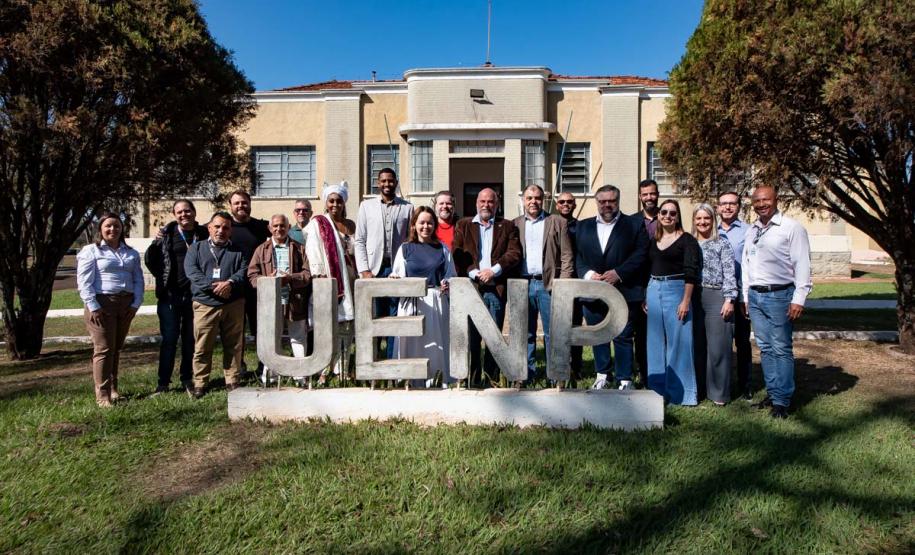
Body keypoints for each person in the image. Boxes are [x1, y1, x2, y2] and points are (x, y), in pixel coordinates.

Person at [742, 185, 812, 418]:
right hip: (756, 295)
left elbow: (802, 264)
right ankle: (773, 394)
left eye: (766, 200)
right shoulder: (752, 230)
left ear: (776, 200)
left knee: (781, 348)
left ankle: (783, 401)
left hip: (780, 295)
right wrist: (745, 296)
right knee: (765, 348)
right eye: (757, 201)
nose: (761, 204)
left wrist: (799, 298)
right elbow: (746, 266)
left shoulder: (791, 228)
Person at [575, 185, 650, 390]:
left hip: (624, 291)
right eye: (602, 201)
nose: (607, 205)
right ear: (596, 202)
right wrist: (589, 274)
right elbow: (577, 257)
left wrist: (619, 273)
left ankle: (624, 378)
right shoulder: (583, 226)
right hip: (593, 292)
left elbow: (641, 254)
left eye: (611, 201)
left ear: (618, 201)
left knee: (623, 335)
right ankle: (602, 375)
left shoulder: (634, 224)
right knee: (598, 335)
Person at [452, 188, 522, 387]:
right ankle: (473, 380)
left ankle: (492, 380)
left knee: (495, 337)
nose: (486, 205)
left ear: (497, 204)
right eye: (482, 201)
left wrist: (494, 270)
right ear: (476, 203)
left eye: (490, 202)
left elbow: (514, 253)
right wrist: (475, 273)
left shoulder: (507, 226)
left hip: (495, 288)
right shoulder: (464, 225)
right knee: (472, 338)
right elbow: (456, 253)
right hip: (472, 288)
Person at [76, 212, 145, 407]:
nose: (112, 229)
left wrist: (135, 303)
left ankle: (114, 389)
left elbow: (138, 279)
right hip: (101, 304)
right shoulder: (91, 251)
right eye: (108, 226)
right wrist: (93, 306)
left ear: (122, 229)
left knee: (116, 348)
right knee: (104, 349)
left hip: (125, 304)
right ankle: (102, 395)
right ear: (100, 229)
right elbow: (84, 282)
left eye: (116, 226)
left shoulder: (130, 252)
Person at [145, 199, 209, 395]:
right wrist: (164, 278)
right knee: (170, 339)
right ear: (175, 214)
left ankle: (187, 378)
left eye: (187, 211)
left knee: (190, 339)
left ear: (194, 212)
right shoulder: (166, 234)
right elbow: (150, 259)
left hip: (195, 296)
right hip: (170, 296)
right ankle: (163, 383)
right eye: (180, 212)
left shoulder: (204, 234)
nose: (184, 215)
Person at [512, 185, 573, 383]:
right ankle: (527, 374)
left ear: (544, 200)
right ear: (523, 200)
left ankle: (554, 375)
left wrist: (562, 284)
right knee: (525, 333)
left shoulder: (557, 222)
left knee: (552, 332)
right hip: (523, 284)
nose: (533, 202)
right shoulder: (514, 224)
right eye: (529, 198)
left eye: (537, 198)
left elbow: (566, 256)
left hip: (548, 285)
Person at [184, 212, 248, 398]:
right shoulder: (196, 249)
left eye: (226, 227)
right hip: (205, 304)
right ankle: (200, 382)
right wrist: (213, 287)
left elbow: (243, 270)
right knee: (203, 346)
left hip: (233, 304)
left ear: (231, 231)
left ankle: (232, 380)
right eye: (217, 226)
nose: (221, 231)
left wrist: (229, 283)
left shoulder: (239, 250)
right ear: (209, 228)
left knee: (234, 344)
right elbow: (192, 272)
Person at [390, 206, 456, 387]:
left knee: (435, 343)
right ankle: (409, 380)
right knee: (411, 342)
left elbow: (451, 275)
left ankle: (435, 380)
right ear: (414, 225)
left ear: (435, 225)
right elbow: (397, 274)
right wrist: (396, 278)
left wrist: (447, 283)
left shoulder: (442, 248)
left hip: (435, 301)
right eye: (422, 222)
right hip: (411, 301)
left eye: (430, 223)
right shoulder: (405, 248)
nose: (426, 226)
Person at [644, 199, 701, 405]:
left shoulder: (687, 240)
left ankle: (681, 395)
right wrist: (646, 295)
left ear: (678, 217)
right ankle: (657, 392)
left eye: (673, 213)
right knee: (655, 342)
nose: (668, 216)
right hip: (653, 289)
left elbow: (691, 273)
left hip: (676, 290)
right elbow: (648, 267)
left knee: (679, 343)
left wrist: (686, 300)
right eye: (664, 212)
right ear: (658, 215)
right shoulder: (653, 240)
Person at [354, 168, 413, 360]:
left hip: (396, 270)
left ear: (396, 182)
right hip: (373, 269)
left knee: (394, 316)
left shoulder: (407, 208)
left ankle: (391, 359)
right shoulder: (366, 207)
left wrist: (406, 268)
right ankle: (373, 359)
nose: (387, 184)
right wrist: (364, 269)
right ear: (378, 183)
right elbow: (360, 240)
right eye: (383, 181)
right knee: (375, 316)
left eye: (390, 181)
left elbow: (410, 241)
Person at [247, 214, 311, 384]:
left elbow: (307, 275)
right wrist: (268, 281)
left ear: (288, 227)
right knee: (272, 339)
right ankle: (271, 377)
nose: (279, 229)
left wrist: (290, 278)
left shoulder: (299, 248)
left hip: (294, 301)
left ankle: (300, 377)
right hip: (270, 303)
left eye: (282, 226)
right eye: (275, 226)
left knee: (298, 338)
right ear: (270, 228)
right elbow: (252, 275)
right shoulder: (261, 249)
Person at [304, 182, 357, 380]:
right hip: (330, 279)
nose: (335, 204)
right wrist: (319, 276)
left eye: (339, 200)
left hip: (351, 279)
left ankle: (342, 368)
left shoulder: (351, 225)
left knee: (347, 326)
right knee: (327, 326)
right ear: (326, 202)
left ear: (344, 202)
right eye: (331, 200)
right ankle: (325, 369)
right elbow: (312, 250)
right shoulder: (319, 223)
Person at [691, 203, 737, 405]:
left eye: (706, 218)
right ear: (693, 221)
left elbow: (729, 272)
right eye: (699, 218)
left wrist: (729, 299)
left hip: (716, 295)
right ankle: (698, 389)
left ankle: (718, 393)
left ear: (713, 220)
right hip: (692, 297)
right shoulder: (688, 242)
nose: (702, 222)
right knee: (697, 346)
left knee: (718, 347)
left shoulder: (722, 243)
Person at [227, 190, 270, 376]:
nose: (241, 206)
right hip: (234, 288)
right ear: (230, 206)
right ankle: (239, 367)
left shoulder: (261, 227)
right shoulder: (225, 227)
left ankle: (264, 366)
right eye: (236, 203)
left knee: (260, 329)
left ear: (250, 203)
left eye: (244, 202)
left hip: (257, 288)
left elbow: (280, 229)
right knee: (236, 332)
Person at [717, 191, 752, 400]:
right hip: (714, 295)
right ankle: (721, 384)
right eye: (724, 204)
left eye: (732, 204)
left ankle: (745, 384)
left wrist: (744, 297)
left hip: (739, 295)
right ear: (718, 207)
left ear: (738, 206)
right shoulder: (710, 229)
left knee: (742, 341)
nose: (728, 207)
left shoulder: (748, 231)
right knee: (718, 343)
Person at [555, 191, 584, 381]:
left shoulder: (581, 227)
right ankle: (559, 365)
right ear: (557, 205)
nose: (566, 204)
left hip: (577, 281)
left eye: (570, 202)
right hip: (555, 281)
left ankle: (576, 367)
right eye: (562, 202)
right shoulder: (550, 224)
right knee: (557, 326)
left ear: (574, 205)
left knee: (575, 325)